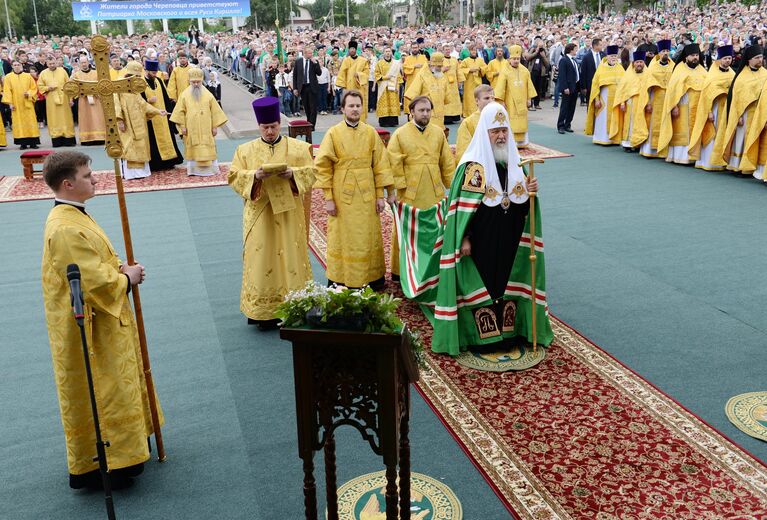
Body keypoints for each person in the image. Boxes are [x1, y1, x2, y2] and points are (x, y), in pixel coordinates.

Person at [40, 150, 162, 491]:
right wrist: (127, 279)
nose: (95, 180)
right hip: (89, 326)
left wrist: (120, 267)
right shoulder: (64, 227)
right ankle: (108, 462)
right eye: (87, 176)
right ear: (67, 183)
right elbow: (90, 282)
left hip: (104, 320)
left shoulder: (74, 215)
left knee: (116, 384)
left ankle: (128, 450)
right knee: (103, 388)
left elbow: (98, 259)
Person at [392, 102, 553, 355]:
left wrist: (531, 193)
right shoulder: (470, 167)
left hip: (509, 238)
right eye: (494, 131)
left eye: (504, 130)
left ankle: (509, 330)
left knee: (505, 282)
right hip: (480, 242)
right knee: (486, 283)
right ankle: (484, 338)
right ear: (485, 132)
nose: (500, 136)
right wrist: (464, 238)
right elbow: (459, 212)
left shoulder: (514, 163)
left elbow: (522, 207)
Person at [228, 98, 316, 330]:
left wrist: (293, 174)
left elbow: (311, 172)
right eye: (265, 127)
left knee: (291, 256)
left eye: (273, 126)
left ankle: (296, 306)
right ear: (259, 127)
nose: (269, 131)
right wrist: (254, 177)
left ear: (280, 124)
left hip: (289, 214)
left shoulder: (298, 149)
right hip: (260, 214)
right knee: (261, 257)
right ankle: (263, 313)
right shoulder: (244, 151)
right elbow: (233, 176)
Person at [314, 90, 394, 290]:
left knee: (368, 234)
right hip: (342, 195)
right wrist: (328, 198)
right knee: (343, 234)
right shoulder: (333, 133)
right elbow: (323, 167)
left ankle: (372, 277)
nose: (355, 109)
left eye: (358, 105)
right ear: (343, 109)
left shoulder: (370, 133)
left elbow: (381, 165)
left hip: (367, 194)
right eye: (351, 105)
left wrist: (380, 196)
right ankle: (341, 277)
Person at [387, 96, 455, 281]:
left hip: (434, 191)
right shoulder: (400, 134)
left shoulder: (438, 133)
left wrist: (453, 186)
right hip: (409, 191)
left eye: (428, 110)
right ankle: (401, 271)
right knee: (407, 231)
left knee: (434, 229)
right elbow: (393, 162)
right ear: (411, 113)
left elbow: (446, 162)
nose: (425, 114)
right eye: (421, 110)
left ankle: (432, 271)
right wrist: (394, 190)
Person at [711, 45, 767, 172]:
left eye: (761, 57)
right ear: (749, 60)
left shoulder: (765, 74)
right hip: (745, 113)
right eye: (757, 57)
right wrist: (738, 116)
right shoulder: (741, 77)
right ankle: (738, 166)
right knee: (741, 140)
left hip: (761, 113)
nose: (760, 60)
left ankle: (753, 167)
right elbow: (736, 99)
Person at [170, 67, 229, 177]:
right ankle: (193, 170)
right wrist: (182, 126)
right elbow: (179, 112)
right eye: (193, 82)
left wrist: (215, 126)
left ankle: (210, 170)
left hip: (207, 127)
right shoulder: (184, 94)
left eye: (198, 82)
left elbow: (215, 112)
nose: (196, 84)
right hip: (191, 127)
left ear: (202, 81)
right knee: (193, 147)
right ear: (189, 81)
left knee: (207, 145)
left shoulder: (208, 94)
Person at [115, 62, 168, 180]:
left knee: (141, 145)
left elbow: (143, 104)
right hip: (127, 123)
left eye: (139, 76)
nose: (138, 79)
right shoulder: (118, 87)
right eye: (136, 76)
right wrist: (119, 120)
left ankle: (141, 172)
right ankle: (131, 173)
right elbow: (116, 105)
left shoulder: (135, 88)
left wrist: (158, 111)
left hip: (140, 122)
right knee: (130, 147)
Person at [657, 44, 707, 164]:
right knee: (683, 132)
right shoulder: (679, 70)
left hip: (698, 107)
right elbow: (672, 91)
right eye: (692, 55)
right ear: (686, 57)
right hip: (683, 107)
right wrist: (674, 106)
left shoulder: (702, 70)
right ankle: (682, 157)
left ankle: (694, 156)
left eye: (696, 55)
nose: (695, 58)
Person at [688, 45, 735, 171]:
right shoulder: (712, 74)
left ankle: (722, 161)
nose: (727, 61)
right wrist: (708, 112)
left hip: (727, 109)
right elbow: (706, 96)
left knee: (723, 134)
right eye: (725, 58)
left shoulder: (733, 74)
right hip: (714, 109)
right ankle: (709, 162)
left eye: (729, 58)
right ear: (719, 59)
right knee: (713, 135)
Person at [142, 59, 183, 172]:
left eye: (156, 72)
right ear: (146, 70)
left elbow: (166, 98)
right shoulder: (141, 83)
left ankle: (170, 161)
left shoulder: (159, 81)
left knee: (168, 138)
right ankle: (156, 164)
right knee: (153, 141)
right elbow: (138, 101)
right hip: (151, 118)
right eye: (152, 72)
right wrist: (148, 100)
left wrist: (170, 115)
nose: (155, 74)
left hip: (163, 116)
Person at [495, 44, 537, 148]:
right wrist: (501, 101)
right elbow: (500, 87)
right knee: (511, 122)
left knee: (522, 121)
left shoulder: (525, 71)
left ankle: (523, 142)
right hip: (510, 102)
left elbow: (529, 86)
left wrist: (529, 99)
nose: (516, 61)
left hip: (522, 101)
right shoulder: (505, 71)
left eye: (518, 59)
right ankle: (511, 143)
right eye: (514, 59)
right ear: (509, 59)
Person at [639, 40, 674, 158]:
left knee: (667, 123)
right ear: (659, 53)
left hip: (669, 99)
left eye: (667, 51)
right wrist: (648, 102)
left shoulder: (674, 67)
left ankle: (664, 149)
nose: (665, 53)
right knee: (654, 123)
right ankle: (651, 150)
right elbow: (647, 87)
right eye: (663, 51)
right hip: (656, 99)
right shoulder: (652, 67)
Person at [610, 51, 650, 152]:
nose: (639, 64)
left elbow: (650, 91)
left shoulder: (648, 75)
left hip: (643, 103)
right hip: (630, 104)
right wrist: (622, 103)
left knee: (641, 123)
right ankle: (627, 144)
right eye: (637, 62)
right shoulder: (628, 75)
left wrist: (649, 103)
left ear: (644, 63)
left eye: (641, 62)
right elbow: (623, 90)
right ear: (633, 63)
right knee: (630, 123)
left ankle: (638, 143)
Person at [584, 45, 624, 145]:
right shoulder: (601, 68)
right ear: (607, 56)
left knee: (615, 118)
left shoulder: (620, 68)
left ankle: (614, 139)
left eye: (615, 56)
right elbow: (595, 85)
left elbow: (624, 85)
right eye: (611, 56)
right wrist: (597, 100)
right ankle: (601, 139)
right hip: (604, 99)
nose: (613, 58)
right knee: (602, 119)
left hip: (616, 99)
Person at [37, 55, 76, 147]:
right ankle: (56, 139)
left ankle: (68, 139)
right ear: (47, 64)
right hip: (51, 100)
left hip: (64, 99)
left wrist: (71, 98)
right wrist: (48, 88)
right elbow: (40, 86)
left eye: (53, 63)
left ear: (56, 62)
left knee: (66, 118)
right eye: (50, 64)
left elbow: (69, 85)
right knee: (53, 119)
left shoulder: (62, 71)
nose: (52, 65)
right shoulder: (43, 73)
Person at [404, 52, 451, 129]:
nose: (440, 69)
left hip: (440, 112)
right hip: (425, 111)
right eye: (438, 66)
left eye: (441, 66)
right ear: (432, 65)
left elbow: (446, 97)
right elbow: (413, 94)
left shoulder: (442, 76)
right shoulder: (422, 75)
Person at [2, 59, 40, 149]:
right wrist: (10, 104)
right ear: (12, 66)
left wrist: (29, 93)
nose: (17, 66)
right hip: (16, 104)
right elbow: (7, 91)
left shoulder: (28, 76)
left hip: (27, 103)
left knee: (31, 122)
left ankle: (33, 143)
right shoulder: (8, 77)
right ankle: (22, 143)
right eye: (14, 65)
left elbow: (34, 88)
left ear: (21, 65)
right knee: (19, 123)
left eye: (18, 64)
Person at [71, 56, 106, 146]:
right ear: (79, 64)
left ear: (88, 62)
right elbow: (73, 87)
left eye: (85, 62)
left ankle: (100, 138)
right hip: (83, 100)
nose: (83, 64)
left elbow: (101, 85)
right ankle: (87, 139)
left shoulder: (96, 73)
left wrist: (96, 91)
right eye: (82, 63)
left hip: (96, 99)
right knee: (85, 118)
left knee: (98, 118)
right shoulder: (76, 75)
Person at [456, 84, 495, 162]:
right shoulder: (468, 123)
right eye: (486, 98)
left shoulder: (499, 119)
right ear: (477, 101)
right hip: (479, 164)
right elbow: (464, 151)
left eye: (493, 98)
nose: (491, 101)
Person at [336, 41, 370, 123]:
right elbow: (342, 73)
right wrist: (343, 87)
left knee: (359, 103)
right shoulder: (346, 60)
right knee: (349, 103)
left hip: (360, 87)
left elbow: (366, 74)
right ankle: (349, 121)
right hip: (349, 86)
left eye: (353, 49)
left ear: (355, 49)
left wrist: (359, 75)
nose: (351, 50)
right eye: (350, 49)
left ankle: (361, 122)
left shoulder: (363, 61)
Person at [293, 44, 322, 128]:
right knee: (306, 107)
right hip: (302, 87)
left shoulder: (313, 61)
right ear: (305, 53)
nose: (311, 55)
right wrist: (295, 88)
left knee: (313, 108)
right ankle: (308, 122)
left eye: (312, 53)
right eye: (309, 53)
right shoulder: (298, 61)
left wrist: (316, 63)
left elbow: (319, 73)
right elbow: (295, 76)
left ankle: (312, 125)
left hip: (312, 87)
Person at [374, 47, 403, 127]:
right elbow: (376, 74)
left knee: (392, 102)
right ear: (383, 53)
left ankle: (392, 122)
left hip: (393, 86)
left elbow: (399, 76)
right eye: (386, 51)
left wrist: (398, 86)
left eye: (389, 51)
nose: (387, 53)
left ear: (391, 53)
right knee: (384, 102)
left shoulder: (395, 63)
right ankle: (384, 122)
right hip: (383, 86)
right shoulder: (379, 63)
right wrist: (385, 77)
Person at [556, 43, 580, 134]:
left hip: (575, 87)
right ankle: (561, 125)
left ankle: (568, 124)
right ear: (571, 50)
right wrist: (565, 87)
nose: (576, 51)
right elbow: (562, 75)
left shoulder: (574, 60)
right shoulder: (564, 60)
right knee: (565, 107)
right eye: (575, 49)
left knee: (572, 107)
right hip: (568, 88)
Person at [459, 45, 486, 118]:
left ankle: (479, 112)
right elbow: (460, 69)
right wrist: (470, 70)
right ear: (469, 51)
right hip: (469, 83)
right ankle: (468, 114)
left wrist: (480, 69)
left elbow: (485, 68)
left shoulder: (480, 60)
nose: (473, 51)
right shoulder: (465, 61)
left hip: (478, 82)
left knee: (478, 97)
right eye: (472, 50)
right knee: (469, 98)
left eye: (475, 50)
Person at [442, 44, 463, 124]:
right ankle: (446, 118)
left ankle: (455, 117)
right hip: (444, 84)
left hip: (454, 84)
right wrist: (443, 69)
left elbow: (458, 71)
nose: (447, 51)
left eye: (448, 49)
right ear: (443, 50)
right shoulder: (441, 60)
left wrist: (460, 81)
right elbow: (435, 71)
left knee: (454, 101)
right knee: (446, 100)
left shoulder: (454, 60)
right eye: (446, 49)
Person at [580, 38, 604, 109]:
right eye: (600, 45)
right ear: (595, 46)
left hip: (602, 83)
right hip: (590, 85)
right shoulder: (587, 57)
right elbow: (583, 72)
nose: (602, 46)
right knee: (591, 105)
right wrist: (583, 87)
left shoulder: (603, 55)